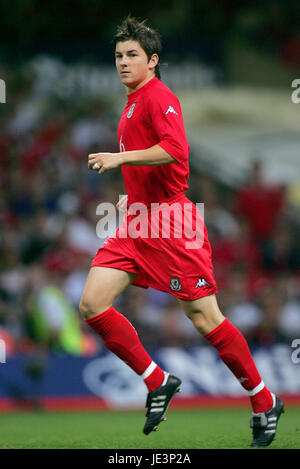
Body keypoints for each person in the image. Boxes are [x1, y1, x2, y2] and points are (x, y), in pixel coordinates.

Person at [79, 16, 284, 447]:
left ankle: (264, 400)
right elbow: (153, 166)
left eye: (132, 55)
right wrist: (130, 195)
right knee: (92, 303)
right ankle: (157, 381)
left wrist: (120, 162)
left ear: (152, 61)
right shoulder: (133, 102)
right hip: (138, 221)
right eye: (118, 55)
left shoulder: (159, 97)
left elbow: (175, 151)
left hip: (172, 223)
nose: (123, 62)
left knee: (205, 318)